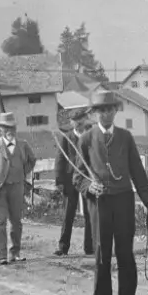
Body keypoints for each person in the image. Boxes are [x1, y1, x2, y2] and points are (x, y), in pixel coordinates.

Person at [74, 90, 148, 295]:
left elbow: (137, 171)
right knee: (102, 255)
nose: (106, 114)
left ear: (116, 111)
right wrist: (89, 186)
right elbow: (77, 177)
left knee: (125, 254)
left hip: (123, 200)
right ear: (94, 113)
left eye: (110, 109)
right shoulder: (86, 139)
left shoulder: (125, 137)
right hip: (99, 204)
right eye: (101, 110)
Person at [0, 112, 37, 265]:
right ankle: (1, 255)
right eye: (5, 127)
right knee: (0, 221)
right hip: (0, 190)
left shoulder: (23, 145)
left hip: (17, 189)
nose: (9, 130)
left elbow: (32, 160)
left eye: (12, 127)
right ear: (0, 129)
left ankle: (14, 253)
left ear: (15, 128)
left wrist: (23, 172)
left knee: (16, 222)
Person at [53, 104, 95, 257]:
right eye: (74, 121)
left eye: (80, 120)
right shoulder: (66, 138)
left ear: (84, 120)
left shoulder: (90, 136)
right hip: (70, 182)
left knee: (90, 214)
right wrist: (59, 181)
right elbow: (59, 160)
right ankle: (63, 247)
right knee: (68, 214)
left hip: (87, 181)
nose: (77, 123)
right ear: (71, 123)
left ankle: (89, 248)